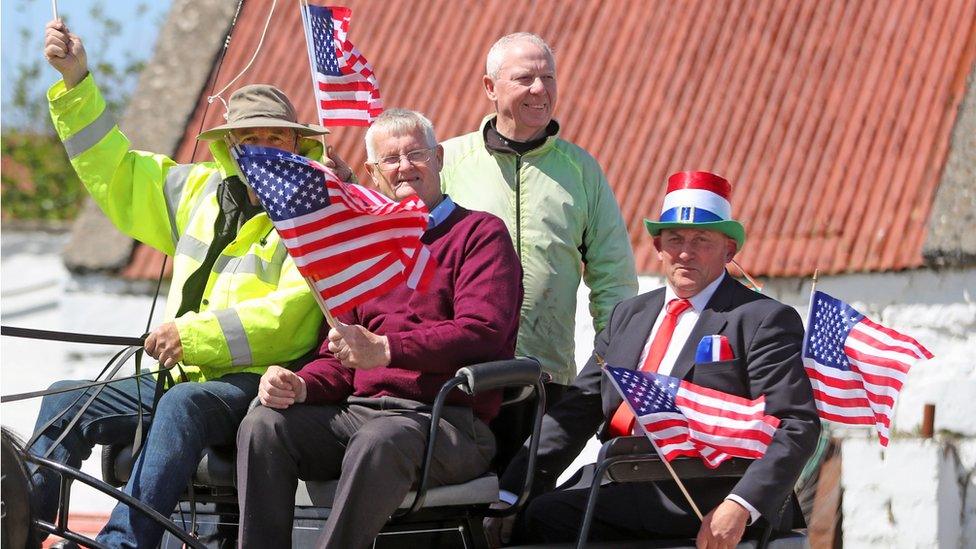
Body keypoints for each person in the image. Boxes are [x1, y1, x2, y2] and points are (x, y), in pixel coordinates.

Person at [31, 20, 345, 548]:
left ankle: (121, 545)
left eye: (276, 136)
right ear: (230, 147)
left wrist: (193, 336)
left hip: (258, 385)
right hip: (182, 379)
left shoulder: (316, 212)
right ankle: (19, 527)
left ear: (298, 144)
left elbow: (293, 319)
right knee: (65, 400)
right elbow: (118, 171)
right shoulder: (195, 189)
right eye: (251, 137)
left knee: (184, 404)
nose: (264, 146)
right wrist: (76, 81)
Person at [235, 109, 524, 549]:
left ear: (440, 158)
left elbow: (481, 333)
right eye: (391, 159)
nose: (405, 167)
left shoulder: (479, 234)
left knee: (380, 439)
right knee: (263, 423)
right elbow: (342, 356)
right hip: (361, 411)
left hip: (447, 419)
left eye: (416, 154)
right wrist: (300, 385)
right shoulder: (363, 247)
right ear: (372, 173)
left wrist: (389, 350)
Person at [489, 171, 821, 547]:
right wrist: (511, 491)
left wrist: (740, 505)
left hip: (703, 491)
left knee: (545, 520)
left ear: (729, 251)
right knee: (509, 520)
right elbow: (575, 412)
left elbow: (796, 424)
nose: (685, 251)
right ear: (657, 246)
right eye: (675, 239)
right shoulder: (628, 316)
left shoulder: (760, 319)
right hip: (620, 477)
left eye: (701, 240)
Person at [440, 32, 638, 408]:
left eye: (548, 78)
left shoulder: (581, 169)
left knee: (534, 470)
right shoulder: (447, 161)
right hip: (462, 376)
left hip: (547, 376)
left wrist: (615, 365)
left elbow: (614, 275)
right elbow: (394, 230)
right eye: (524, 78)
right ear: (490, 88)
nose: (539, 89)